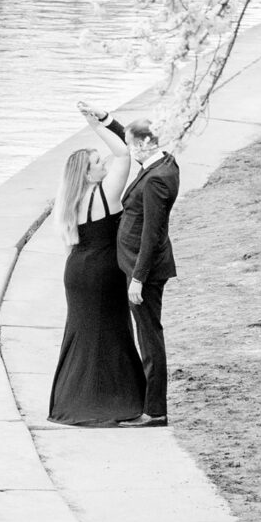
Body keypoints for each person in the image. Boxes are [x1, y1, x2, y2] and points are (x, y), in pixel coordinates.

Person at [78, 104, 178, 426]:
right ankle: (150, 405)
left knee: (149, 340)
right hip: (138, 266)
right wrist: (106, 121)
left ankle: (155, 411)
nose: (128, 149)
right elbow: (131, 141)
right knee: (146, 337)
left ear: (145, 145)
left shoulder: (156, 181)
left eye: (133, 144)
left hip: (144, 270)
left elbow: (152, 234)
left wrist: (138, 278)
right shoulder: (159, 162)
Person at [46, 137, 145, 426]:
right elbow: (123, 153)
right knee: (114, 332)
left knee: (81, 335)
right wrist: (100, 123)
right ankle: (112, 402)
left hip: (76, 271)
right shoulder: (106, 195)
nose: (104, 163)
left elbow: (69, 246)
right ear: (88, 174)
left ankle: (71, 400)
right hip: (104, 272)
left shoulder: (69, 202)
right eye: (97, 162)